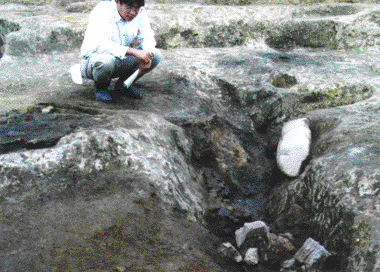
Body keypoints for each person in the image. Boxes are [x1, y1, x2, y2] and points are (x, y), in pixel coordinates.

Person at [78, 0, 161, 103]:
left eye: (136, 8)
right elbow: (102, 45)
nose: (133, 12)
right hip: (94, 60)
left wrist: (148, 54)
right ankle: (101, 87)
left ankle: (123, 86)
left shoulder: (140, 12)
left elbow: (147, 36)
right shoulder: (103, 10)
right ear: (117, 1)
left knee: (154, 55)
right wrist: (133, 51)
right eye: (129, 7)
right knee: (105, 62)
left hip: (119, 59)